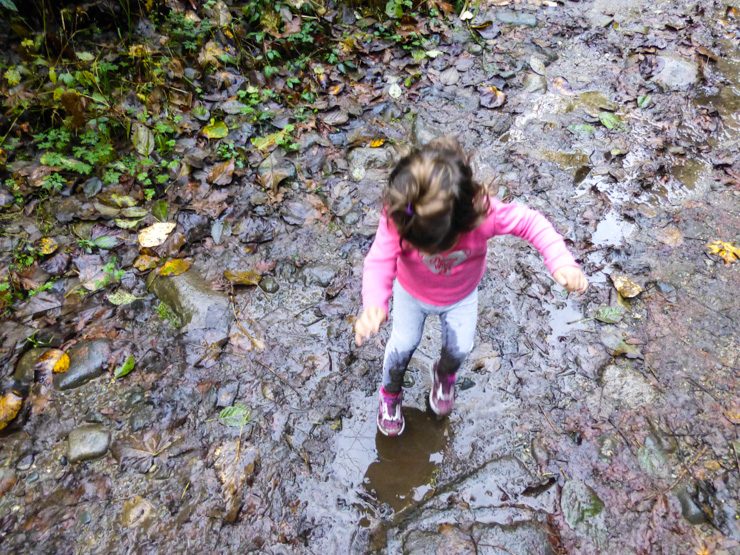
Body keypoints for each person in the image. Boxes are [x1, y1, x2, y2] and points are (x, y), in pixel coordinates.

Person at [354, 137, 588, 437]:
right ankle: (389, 395)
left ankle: (444, 374)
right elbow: (379, 259)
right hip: (410, 294)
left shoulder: (483, 214)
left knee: (460, 347)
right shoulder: (402, 214)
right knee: (401, 347)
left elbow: (530, 222)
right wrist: (375, 303)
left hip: (460, 297)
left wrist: (561, 261)